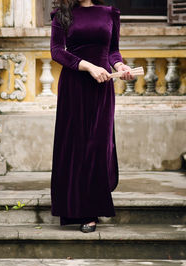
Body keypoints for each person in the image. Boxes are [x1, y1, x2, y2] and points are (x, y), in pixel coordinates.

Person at [49, 0, 133, 233]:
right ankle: (73, 208)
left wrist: (120, 67)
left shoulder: (110, 13)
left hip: (102, 87)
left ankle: (91, 210)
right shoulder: (62, 15)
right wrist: (88, 67)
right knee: (74, 145)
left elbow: (113, 51)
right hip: (74, 86)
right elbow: (56, 51)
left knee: (98, 145)